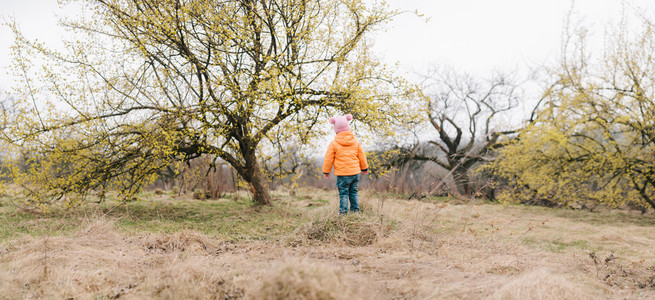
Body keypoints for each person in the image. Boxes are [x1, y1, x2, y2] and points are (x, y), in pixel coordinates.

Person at [322, 114, 369, 214]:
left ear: (336, 129)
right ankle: (355, 211)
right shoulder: (355, 142)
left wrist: (326, 171)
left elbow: (328, 159)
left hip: (343, 174)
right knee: (354, 192)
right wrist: (364, 168)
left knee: (343, 194)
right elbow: (362, 156)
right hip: (355, 173)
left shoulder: (334, 143)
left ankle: (343, 213)